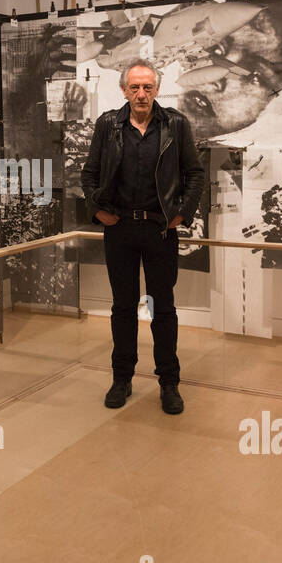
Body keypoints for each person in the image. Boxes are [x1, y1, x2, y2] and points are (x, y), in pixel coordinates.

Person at [81, 61, 206, 415]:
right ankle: (122, 378)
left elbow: (195, 173)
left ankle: (169, 383)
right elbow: (89, 173)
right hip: (119, 230)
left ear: (156, 89)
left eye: (148, 87)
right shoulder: (108, 124)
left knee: (162, 309)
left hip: (159, 230)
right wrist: (97, 210)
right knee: (123, 308)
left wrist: (181, 214)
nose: (141, 94)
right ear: (124, 90)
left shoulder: (175, 124)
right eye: (135, 87)